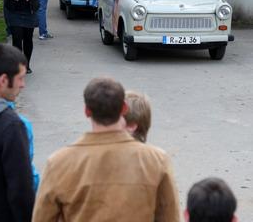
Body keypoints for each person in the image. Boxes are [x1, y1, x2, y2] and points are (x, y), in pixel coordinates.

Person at [32, 77, 180, 222]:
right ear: (123, 108)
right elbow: (169, 217)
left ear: (87, 111)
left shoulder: (58, 163)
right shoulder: (156, 160)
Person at [0, 43, 35, 222]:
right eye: (20, 78)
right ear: (3, 81)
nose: (23, 85)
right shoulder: (10, 126)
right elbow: (21, 191)